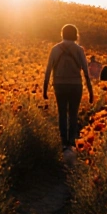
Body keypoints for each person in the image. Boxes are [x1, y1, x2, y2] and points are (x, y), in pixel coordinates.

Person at [42, 24, 94, 154]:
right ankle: (71, 142)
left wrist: (44, 89)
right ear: (76, 35)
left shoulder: (55, 49)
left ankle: (63, 142)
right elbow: (86, 72)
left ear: (62, 34)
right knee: (73, 113)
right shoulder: (79, 50)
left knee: (62, 112)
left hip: (59, 85)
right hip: (75, 85)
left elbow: (48, 70)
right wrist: (91, 91)